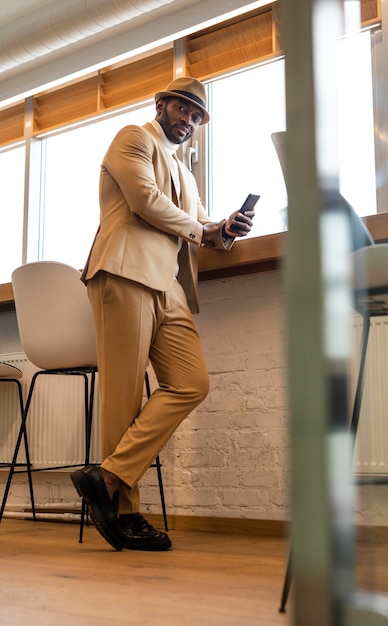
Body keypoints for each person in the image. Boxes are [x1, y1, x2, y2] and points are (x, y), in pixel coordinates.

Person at [71, 77, 255, 551]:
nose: (189, 121)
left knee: (191, 382)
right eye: (183, 110)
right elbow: (145, 201)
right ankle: (126, 513)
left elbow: (201, 229)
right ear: (161, 104)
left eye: (197, 117)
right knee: (124, 396)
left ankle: (107, 478)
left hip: (168, 286)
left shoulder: (187, 175)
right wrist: (202, 227)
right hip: (124, 270)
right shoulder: (133, 138)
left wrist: (225, 228)